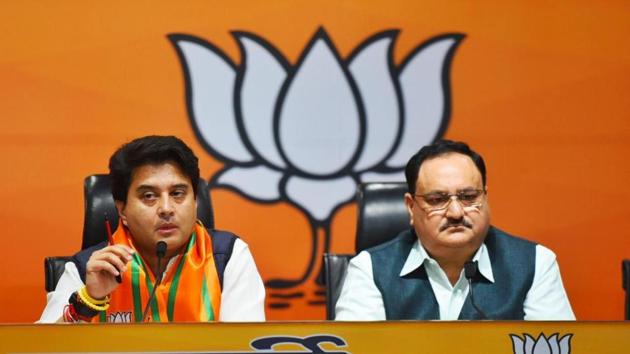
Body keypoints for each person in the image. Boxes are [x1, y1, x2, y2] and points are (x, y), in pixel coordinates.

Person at [335, 139, 574, 320]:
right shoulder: (369, 269)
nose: (456, 212)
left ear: (486, 197)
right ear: (411, 207)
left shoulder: (535, 263)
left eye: (469, 197)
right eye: (437, 200)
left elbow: (555, 346)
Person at [39, 135, 265, 323]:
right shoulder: (86, 268)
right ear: (122, 210)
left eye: (177, 194)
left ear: (195, 201)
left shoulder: (226, 257)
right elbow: (41, 348)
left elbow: (243, 345)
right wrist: (88, 301)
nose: (166, 208)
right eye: (149, 196)